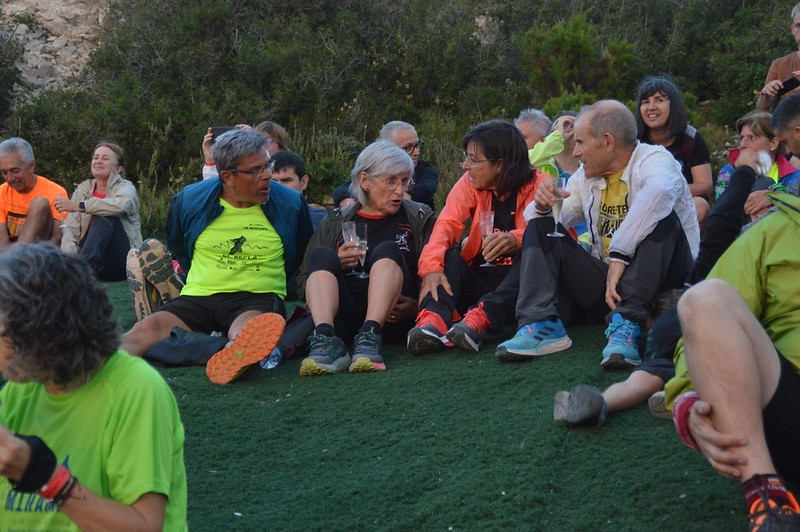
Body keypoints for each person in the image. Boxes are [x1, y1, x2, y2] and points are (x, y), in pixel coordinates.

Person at [466, 101, 698, 368]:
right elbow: (539, 224)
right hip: (611, 290)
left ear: (607, 142)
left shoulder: (655, 160)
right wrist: (541, 206)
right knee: (543, 226)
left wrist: (620, 255)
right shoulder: (586, 177)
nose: (574, 152)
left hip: (668, 284)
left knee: (660, 216)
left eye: (580, 142)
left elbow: (658, 195)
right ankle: (541, 323)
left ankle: (628, 324)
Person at [661, 93, 800, 531]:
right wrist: (687, 400)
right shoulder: (775, 228)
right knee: (703, 300)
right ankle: (769, 499)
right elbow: (700, 326)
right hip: (791, 410)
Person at [552, 147, 766, 427]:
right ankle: (684, 394)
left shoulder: (692, 298)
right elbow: (723, 222)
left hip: (687, 326)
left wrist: (603, 399)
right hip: (735, 343)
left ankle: (663, 394)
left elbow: (637, 384)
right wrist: (746, 170)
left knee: (649, 377)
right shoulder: (711, 296)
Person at [0, 243, 187, 531]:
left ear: (46, 330)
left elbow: (146, 525)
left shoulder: (135, 390)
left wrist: (43, 476)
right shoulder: (22, 387)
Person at [120, 128, 313, 384]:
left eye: (267, 166)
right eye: (255, 170)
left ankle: (191, 345)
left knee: (249, 337)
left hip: (256, 298)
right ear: (227, 176)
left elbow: (301, 251)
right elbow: (179, 244)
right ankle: (93, 365)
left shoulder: (290, 203)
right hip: (199, 296)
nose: (267, 176)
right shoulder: (191, 200)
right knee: (145, 330)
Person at [407, 119, 548, 355]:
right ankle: (433, 321)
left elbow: (552, 236)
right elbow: (447, 224)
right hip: (481, 282)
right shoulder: (471, 183)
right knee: (447, 257)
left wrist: (516, 239)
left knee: (532, 255)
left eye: (473, 159)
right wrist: (431, 268)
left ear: (500, 164)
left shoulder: (540, 184)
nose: (465, 165)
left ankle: (482, 318)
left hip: (522, 288)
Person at [297, 140, 435, 375]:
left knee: (387, 249)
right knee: (322, 255)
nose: (400, 190)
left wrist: (419, 307)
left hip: (393, 321)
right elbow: (301, 284)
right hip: (344, 318)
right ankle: (325, 341)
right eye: (391, 181)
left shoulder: (418, 217)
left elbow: (439, 271)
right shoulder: (335, 222)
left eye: (404, 181)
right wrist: (335, 265)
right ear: (364, 181)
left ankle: (370, 335)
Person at [58, 142, 143, 282]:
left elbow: (122, 206)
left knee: (105, 213)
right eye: (96, 157)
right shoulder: (83, 189)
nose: (98, 161)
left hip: (122, 262)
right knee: (68, 231)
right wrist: (69, 262)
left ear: (118, 169)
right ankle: (75, 271)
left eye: (105, 158)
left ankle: (79, 272)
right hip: (93, 265)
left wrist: (82, 206)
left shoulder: (126, 188)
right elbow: (71, 231)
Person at [635, 76, 713, 226]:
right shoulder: (635, 141)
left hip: (681, 201)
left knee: (700, 207)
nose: (651, 107)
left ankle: (687, 249)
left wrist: (665, 192)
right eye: (645, 102)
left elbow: (704, 184)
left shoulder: (690, 138)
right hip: (642, 205)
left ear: (673, 105)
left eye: (659, 100)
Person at [330, 121, 439, 210]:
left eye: (417, 145)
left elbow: (425, 189)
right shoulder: (374, 171)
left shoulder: (424, 170)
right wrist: (347, 201)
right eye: (408, 147)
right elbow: (345, 189)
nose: (417, 152)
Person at [715, 110, 800, 222]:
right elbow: (723, 205)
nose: (743, 145)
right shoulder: (729, 172)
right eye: (742, 138)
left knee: (765, 188)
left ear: (773, 143)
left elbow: (795, 198)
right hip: (736, 228)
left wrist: (772, 196)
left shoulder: (792, 175)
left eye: (752, 138)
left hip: (778, 228)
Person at [0, 137, 67, 251]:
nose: (10, 178)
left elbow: (57, 239)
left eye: (15, 171)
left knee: (39, 203)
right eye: (4, 172)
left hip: (40, 254)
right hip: (7, 258)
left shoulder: (55, 192)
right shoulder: (2, 192)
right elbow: (2, 242)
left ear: (31, 165)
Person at [200, 120, 290, 180]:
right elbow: (215, 189)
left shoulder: (292, 167)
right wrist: (210, 161)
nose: (262, 145)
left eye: (267, 141)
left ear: (281, 146)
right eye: (258, 140)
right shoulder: (244, 168)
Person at [756, 3, 800, 113]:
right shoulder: (779, 65)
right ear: (793, 29)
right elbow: (763, 113)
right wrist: (766, 95)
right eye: (799, 25)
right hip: (788, 128)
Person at [269, 150, 328, 230]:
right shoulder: (258, 218)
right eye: (273, 182)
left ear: (303, 182)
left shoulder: (324, 221)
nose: (279, 187)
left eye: (286, 180)